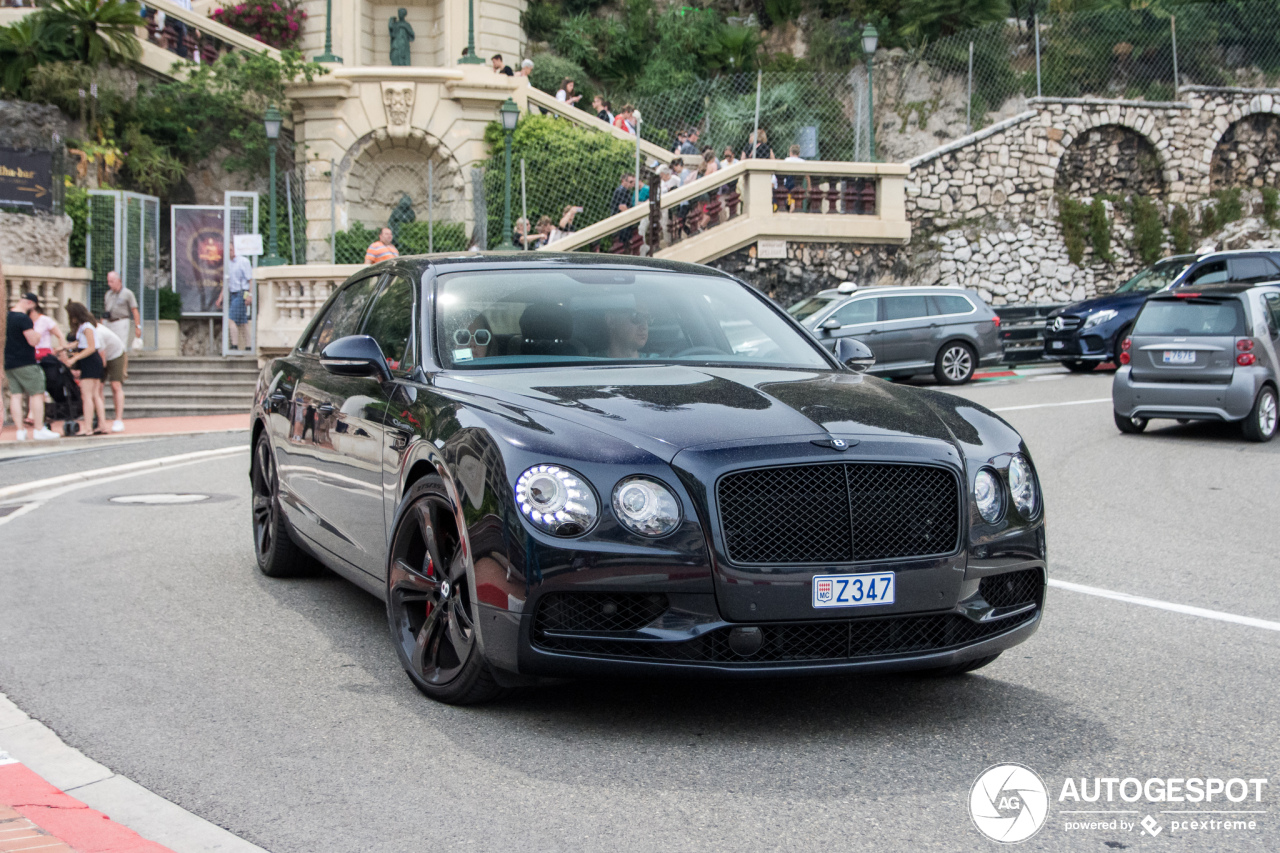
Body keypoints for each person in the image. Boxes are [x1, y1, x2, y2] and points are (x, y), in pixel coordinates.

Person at [5, 292, 57, 440]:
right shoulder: (23, 318)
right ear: (30, 304)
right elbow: (32, 341)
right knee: (37, 393)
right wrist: (38, 334)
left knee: (16, 395)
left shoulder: (6, 317)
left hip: (9, 362)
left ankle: (20, 430)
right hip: (25, 361)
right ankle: (39, 428)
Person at [64, 301, 109, 436]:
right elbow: (80, 343)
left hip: (90, 361)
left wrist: (74, 358)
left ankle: (88, 427)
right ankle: (102, 425)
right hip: (92, 361)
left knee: (87, 395)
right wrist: (65, 348)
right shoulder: (86, 326)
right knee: (95, 395)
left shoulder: (86, 327)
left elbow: (90, 347)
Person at [215, 241, 254, 350]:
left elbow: (250, 280)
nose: (229, 252)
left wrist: (249, 295)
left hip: (241, 293)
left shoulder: (243, 261)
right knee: (243, 322)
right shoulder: (228, 263)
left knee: (230, 319)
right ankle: (248, 346)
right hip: (232, 294)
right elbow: (226, 283)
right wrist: (220, 298)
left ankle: (234, 345)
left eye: (230, 249)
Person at [102, 270, 140, 377]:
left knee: (121, 346)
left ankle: (123, 371)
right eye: (108, 282)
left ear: (119, 281)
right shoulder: (108, 294)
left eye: (112, 281)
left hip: (121, 321)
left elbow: (134, 310)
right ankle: (110, 369)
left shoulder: (127, 293)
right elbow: (105, 309)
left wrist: (138, 326)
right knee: (108, 345)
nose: (110, 284)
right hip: (109, 322)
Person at [93, 318, 127, 431]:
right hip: (101, 356)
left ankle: (118, 419)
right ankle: (100, 418)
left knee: (115, 385)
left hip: (115, 355)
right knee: (98, 387)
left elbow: (103, 361)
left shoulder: (98, 333)